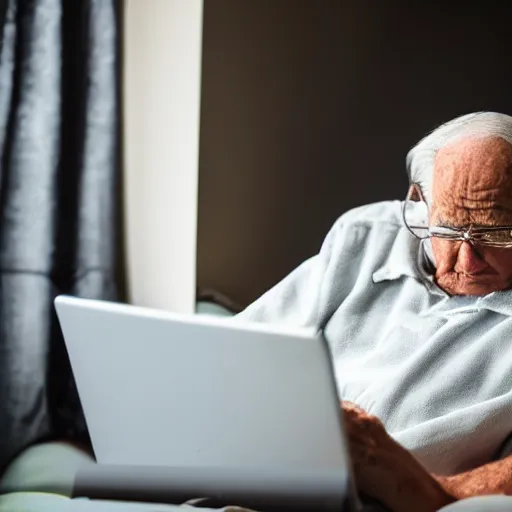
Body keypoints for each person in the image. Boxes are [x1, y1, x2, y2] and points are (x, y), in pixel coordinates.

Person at [235, 112, 512, 512]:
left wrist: (416, 486)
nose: (468, 261)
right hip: (248, 478)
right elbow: (235, 354)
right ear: (423, 205)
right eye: (449, 230)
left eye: (496, 233)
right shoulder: (367, 237)